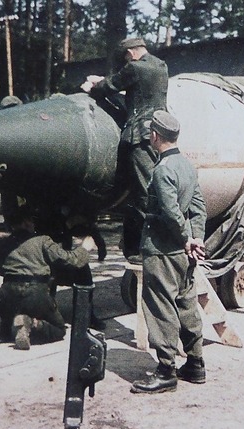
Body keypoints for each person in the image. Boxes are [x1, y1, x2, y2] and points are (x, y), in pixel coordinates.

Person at [131, 110, 207, 394]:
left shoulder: (163, 170)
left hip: (162, 250)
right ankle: (196, 364)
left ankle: (166, 371)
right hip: (183, 254)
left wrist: (186, 238)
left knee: (161, 307)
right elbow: (198, 206)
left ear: (155, 136)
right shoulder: (187, 166)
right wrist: (196, 238)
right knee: (186, 303)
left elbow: (169, 211)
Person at [81, 37, 169, 262]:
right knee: (149, 189)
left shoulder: (135, 67)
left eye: (125, 57)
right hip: (156, 133)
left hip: (138, 136)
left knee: (141, 193)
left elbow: (109, 86)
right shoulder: (160, 65)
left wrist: (94, 86)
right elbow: (137, 88)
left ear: (130, 53)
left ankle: (140, 247)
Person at [0, 204, 97, 350]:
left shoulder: (3, 244)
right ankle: (33, 323)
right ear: (26, 223)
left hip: (8, 293)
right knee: (59, 329)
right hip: (35, 292)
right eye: (32, 221)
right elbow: (71, 260)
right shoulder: (42, 241)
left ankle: (13, 325)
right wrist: (84, 248)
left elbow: (0, 270)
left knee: (4, 332)